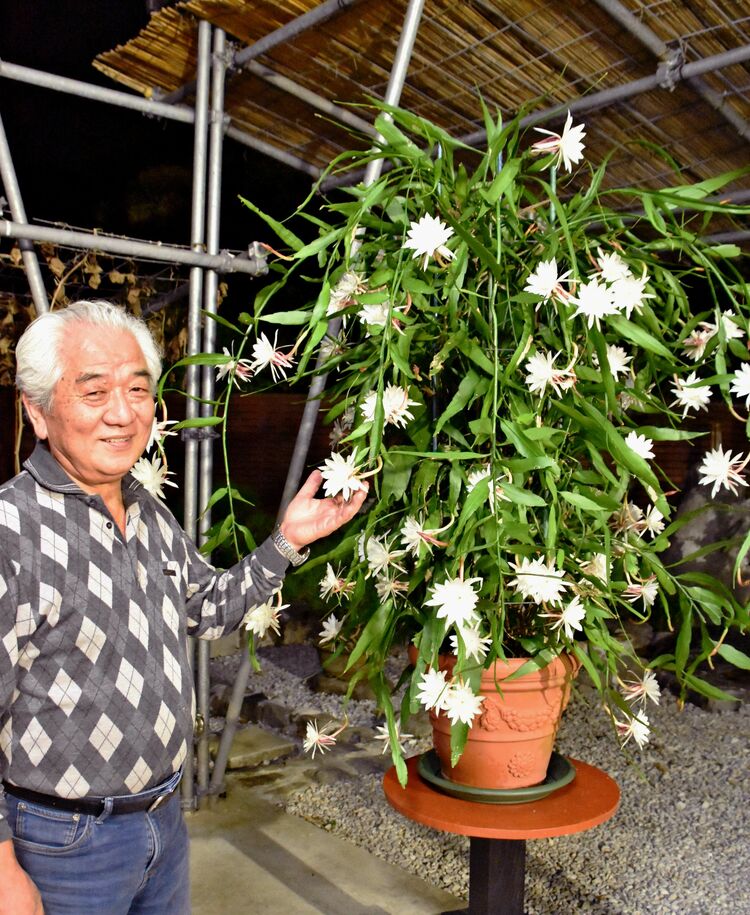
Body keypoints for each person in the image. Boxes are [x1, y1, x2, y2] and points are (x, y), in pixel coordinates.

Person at [0, 300, 368, 915]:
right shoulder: (11, 531)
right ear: (37, 412)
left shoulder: (145, 509)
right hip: (64, 846)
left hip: (162, 825)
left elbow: (206, 609)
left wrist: (287, 540)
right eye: (95, 393)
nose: (123, 413)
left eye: (138, 389)